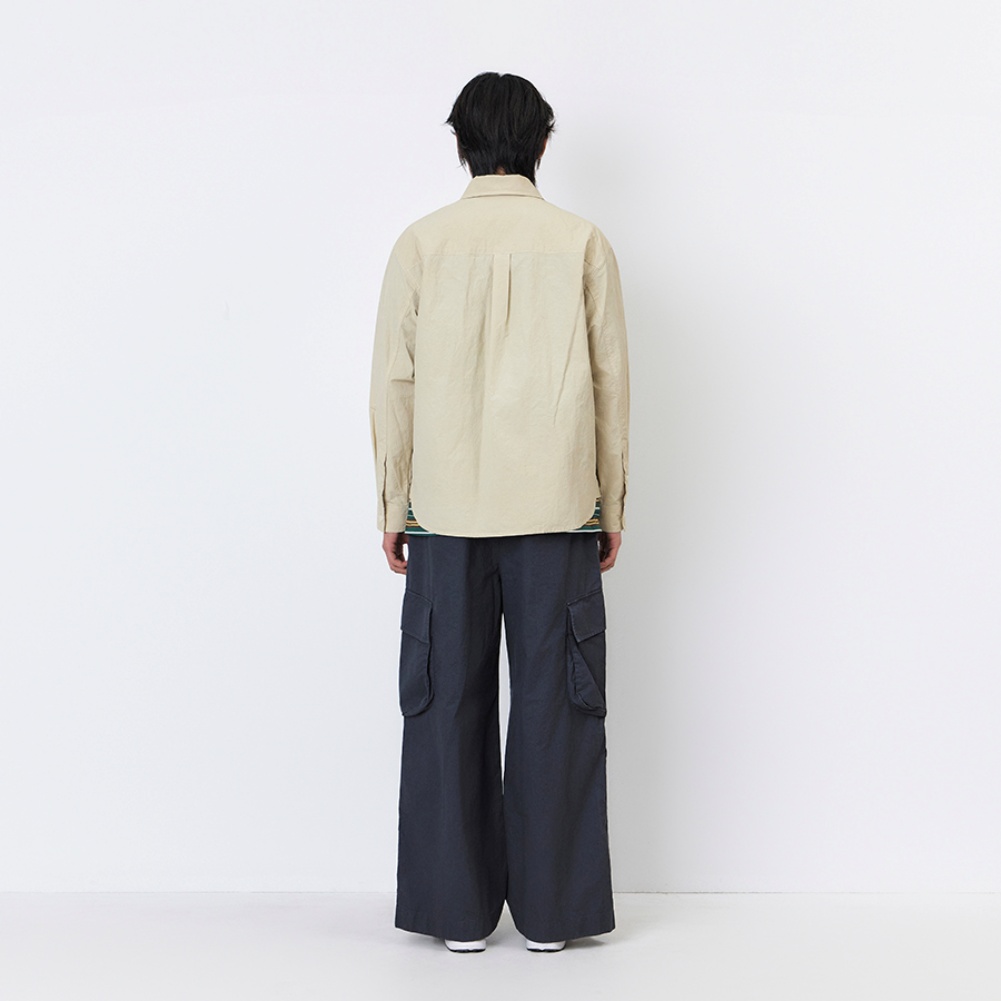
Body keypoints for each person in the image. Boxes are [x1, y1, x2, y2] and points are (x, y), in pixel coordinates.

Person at [368, 71, 630, 953]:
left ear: (461, 143)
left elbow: (394, 382)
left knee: (444, 704)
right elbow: (609, 384)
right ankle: (553, 915)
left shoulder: (421, 244)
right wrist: (610, 501)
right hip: (559, 510)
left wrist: (393, 501)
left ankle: (457, 914)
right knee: (559, 708)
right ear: (542, 141)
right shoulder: (580, 242)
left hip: (443, 513)